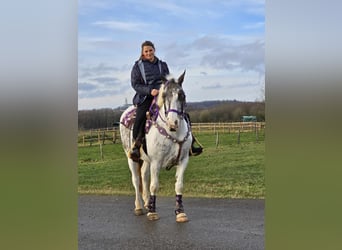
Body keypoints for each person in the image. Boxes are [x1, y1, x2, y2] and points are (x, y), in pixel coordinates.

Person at [129, 40, 202, 162]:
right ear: (142, 52)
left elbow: (168, 80)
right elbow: (135, 84)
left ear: (154, 50)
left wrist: (169, 90)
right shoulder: (137, 66)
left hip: (164, 94)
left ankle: (190, 143)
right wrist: (149, 90)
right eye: (146, 51)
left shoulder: (162, 65)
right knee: (141, 116)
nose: (148, 53)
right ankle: (136, 145)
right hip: (146, 96)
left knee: (182, 113)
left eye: (150, 50)